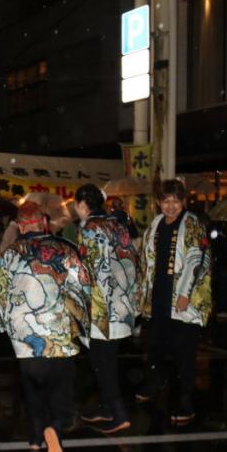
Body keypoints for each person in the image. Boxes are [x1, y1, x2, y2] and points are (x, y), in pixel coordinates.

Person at [0, 200, 90, 452]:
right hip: (57, 332)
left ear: (22, 226)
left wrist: (6, 327)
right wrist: (84, 323)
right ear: (44, 223)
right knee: (62, 393)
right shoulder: (64, 249)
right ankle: (54, 428)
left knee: (32, 388)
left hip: (24, 335)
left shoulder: (10, 253)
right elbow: (82, 285)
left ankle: (36, 437)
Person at [134, 179, 212, 424]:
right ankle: (156, 381)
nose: (170, 206)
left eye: (175, 201)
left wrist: (185, 293)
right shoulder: (155, 224)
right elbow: (144, 256)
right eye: (166, 201)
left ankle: (186, 401)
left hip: (183, 299)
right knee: (156, 346)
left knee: (184, 353)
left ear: (184, 202)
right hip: (159, 296)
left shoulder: (192, 224)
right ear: (159, 203)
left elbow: (196, 259)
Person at [73, 184, 138, 433]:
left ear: (82, 204)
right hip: (122, 304)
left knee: (102, 362)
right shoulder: (117, 225)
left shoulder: (89, 228)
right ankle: (107, 407)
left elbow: (89, 270)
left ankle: (119, 413)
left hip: (102, 308)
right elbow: (131, 261)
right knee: (106, 359)